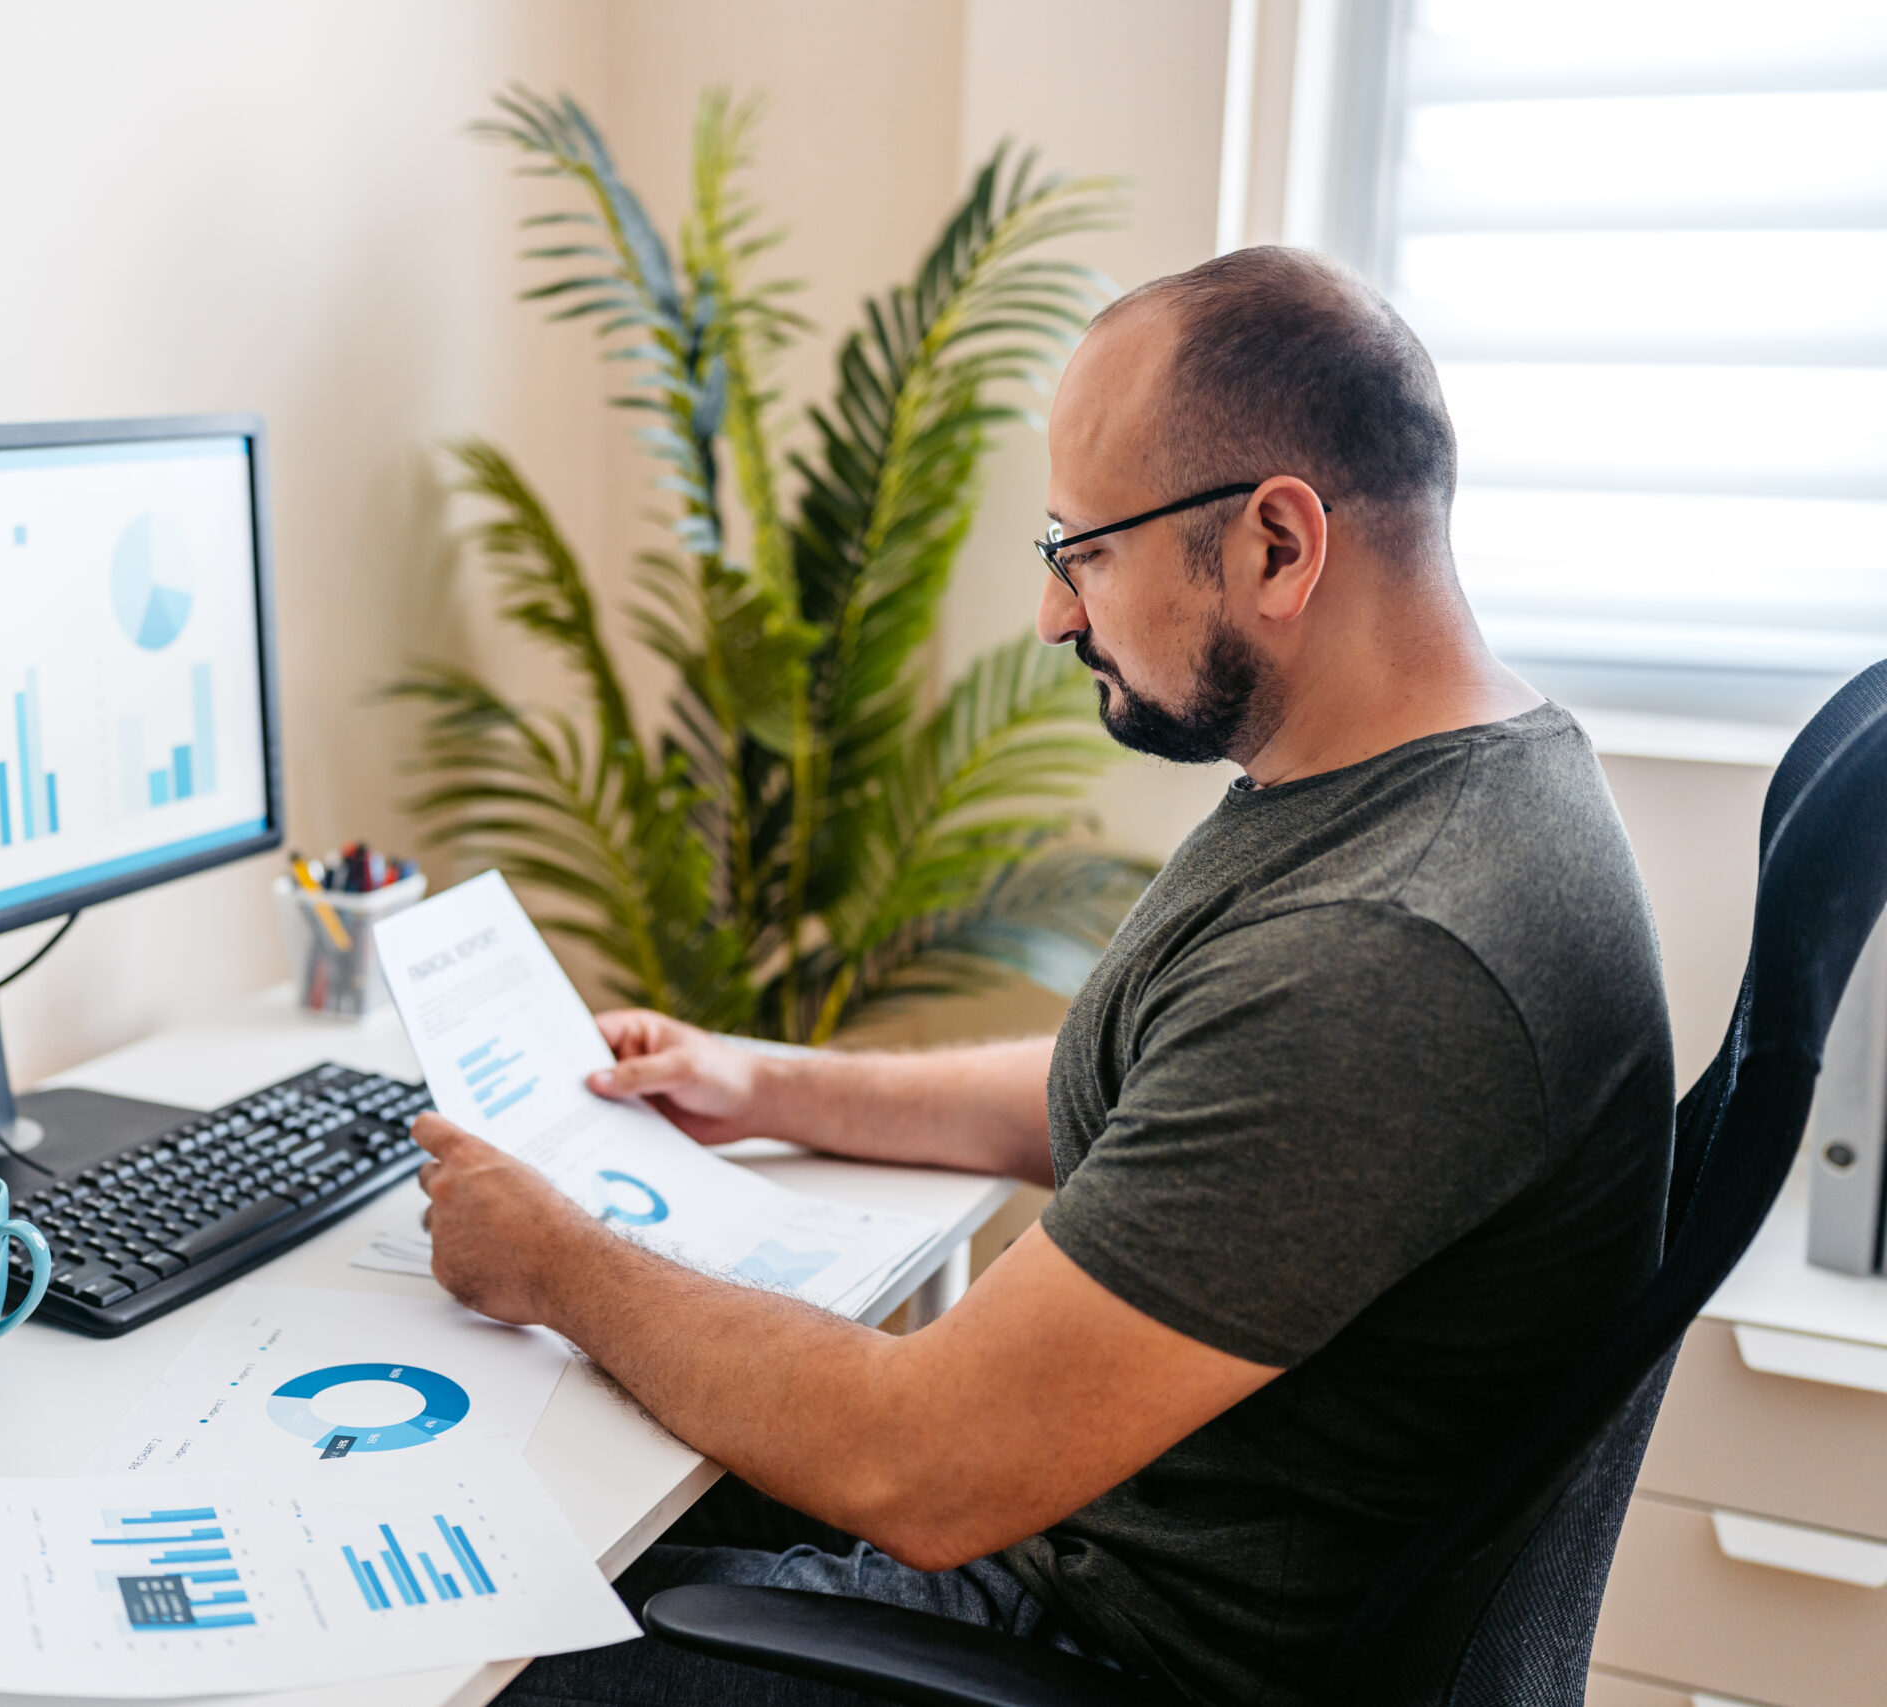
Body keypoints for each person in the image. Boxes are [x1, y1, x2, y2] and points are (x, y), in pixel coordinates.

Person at [413, 246, 1676, 1707]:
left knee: (432, 1654)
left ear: (1278, 546)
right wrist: (765, 1084)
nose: (1055, 617)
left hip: (1096, 1646)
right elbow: (1177, 1102)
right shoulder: (1410, 777)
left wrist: (555, 1262)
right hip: (1081, 1552)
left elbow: (919, 1462)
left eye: (1085, 551)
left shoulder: (1394, 951)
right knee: (537, 1493)